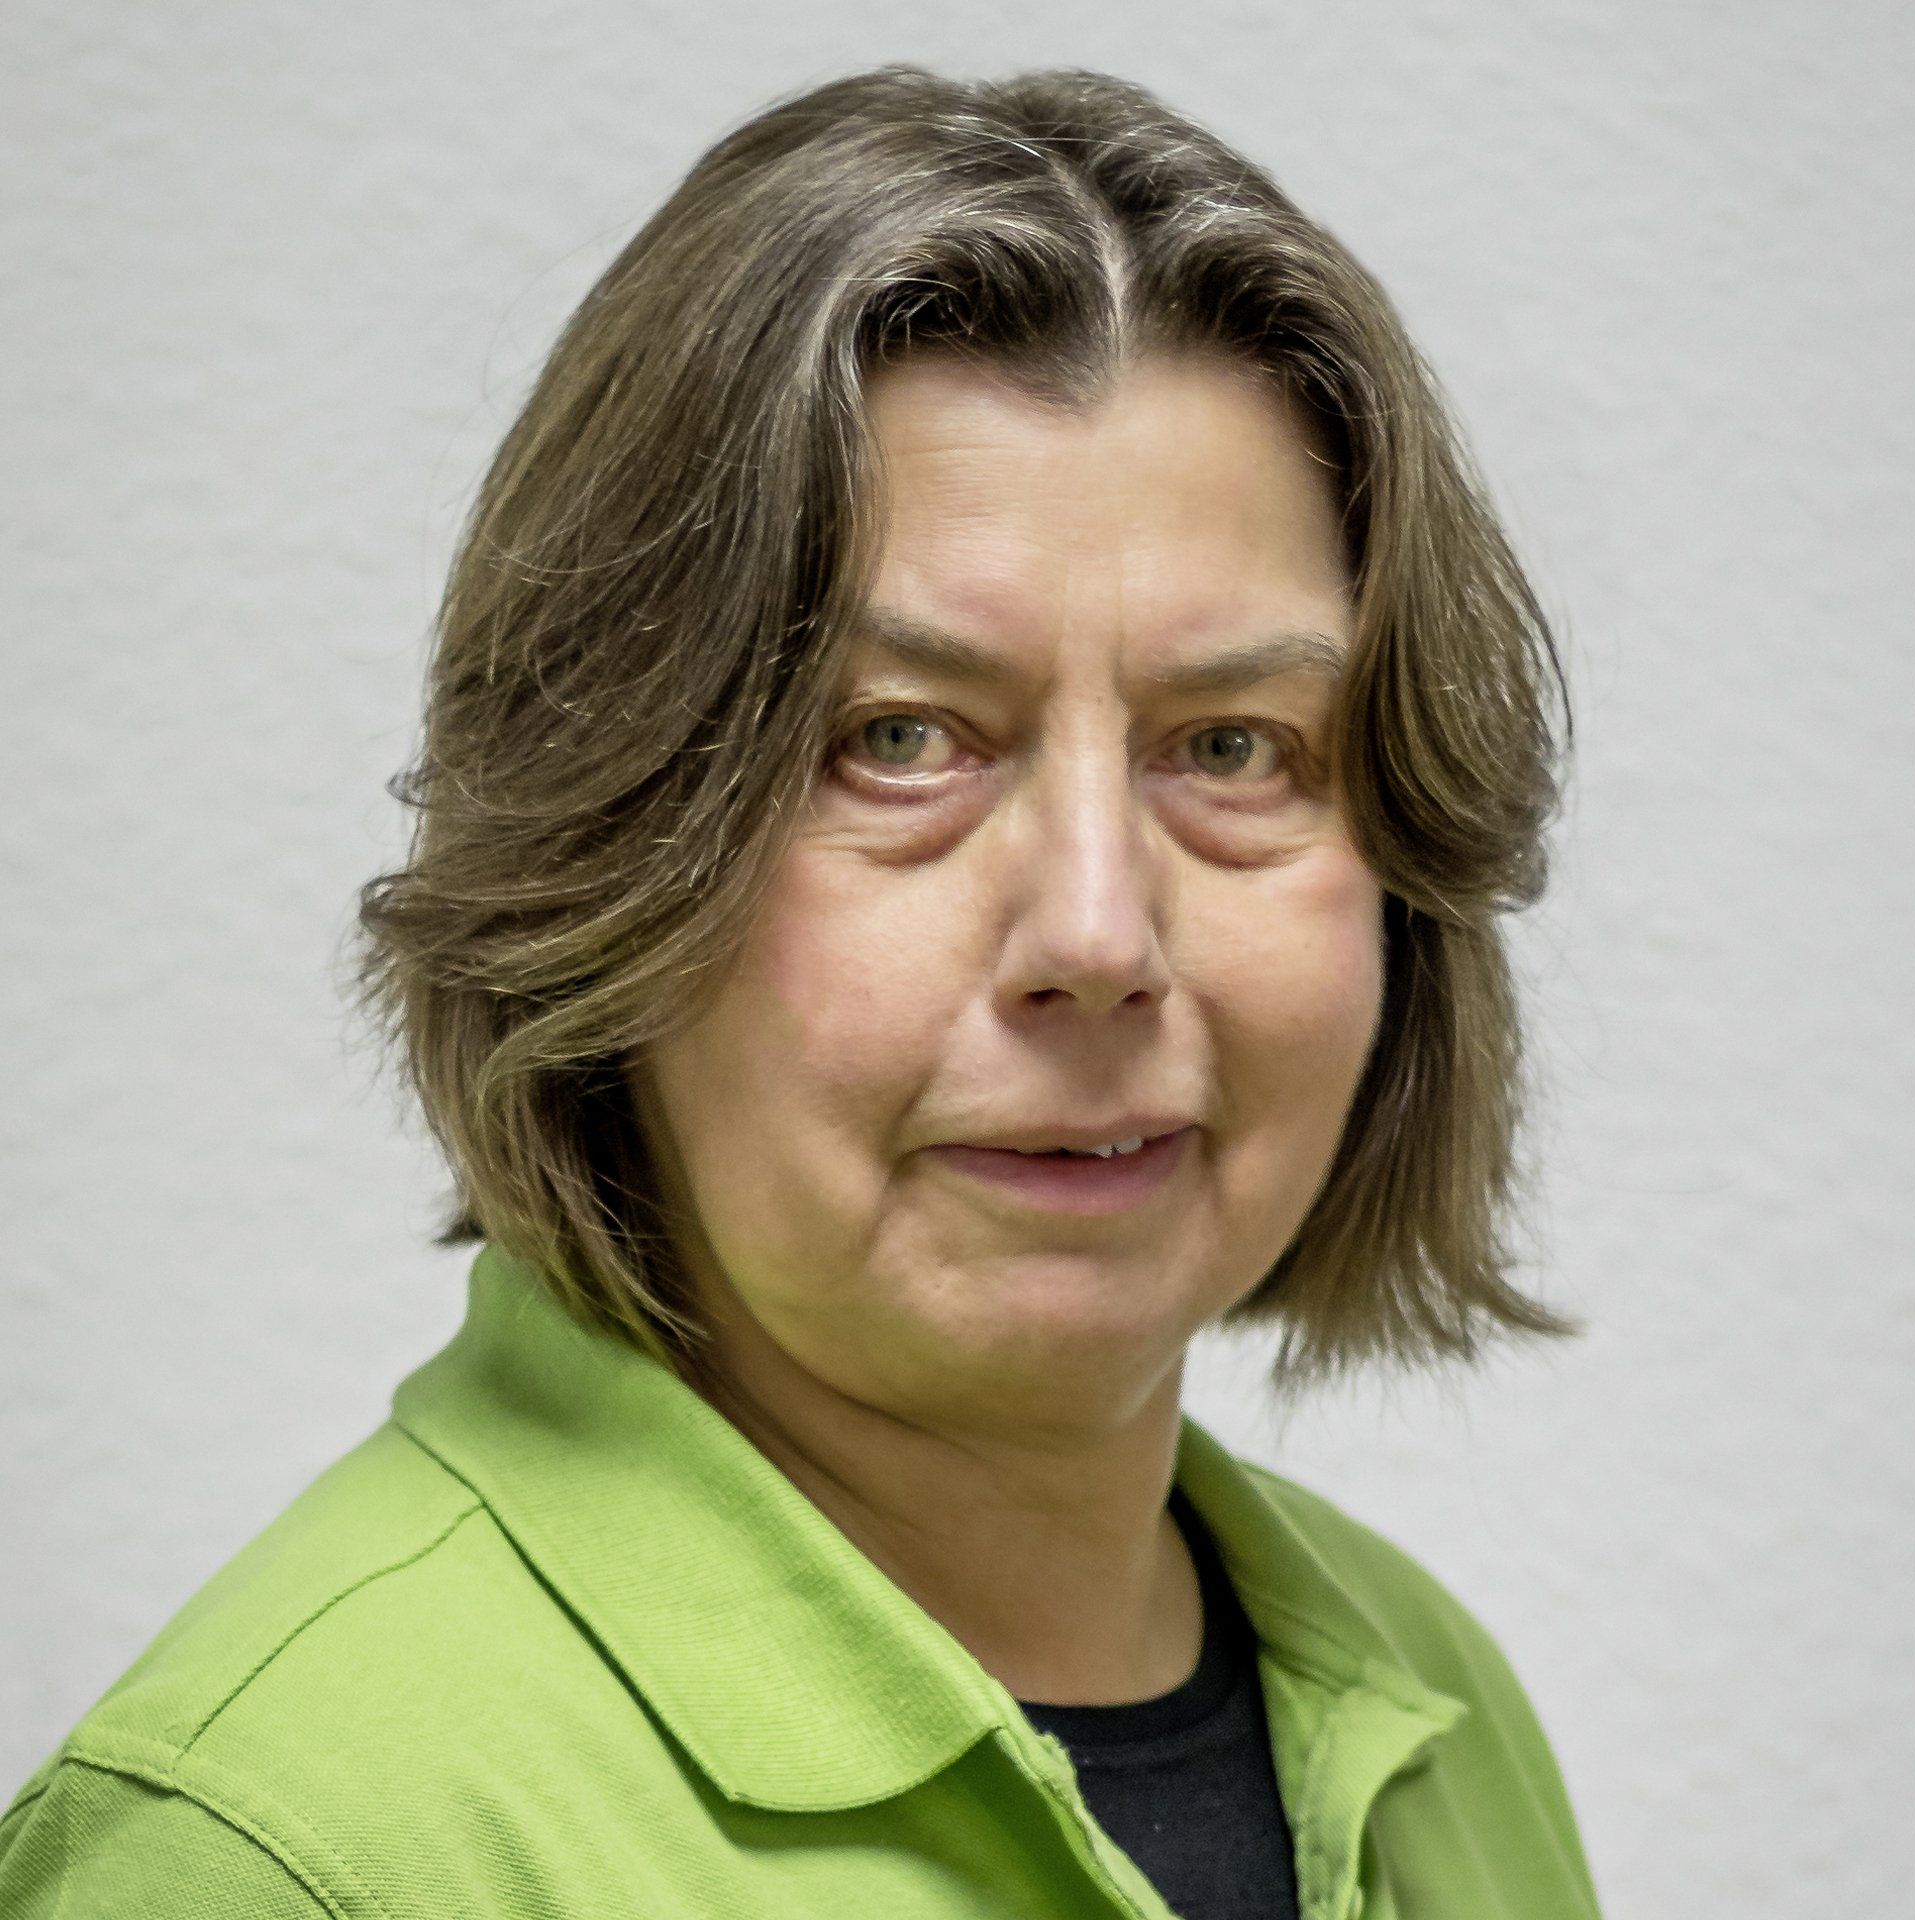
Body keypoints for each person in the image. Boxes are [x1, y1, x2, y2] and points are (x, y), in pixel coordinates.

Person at [0, 62, 1606, 1920]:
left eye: (1234, 746)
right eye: (898, 740)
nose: (1099, 936)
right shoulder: (281, 1852)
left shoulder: (1443, 1721)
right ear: (609, 842)